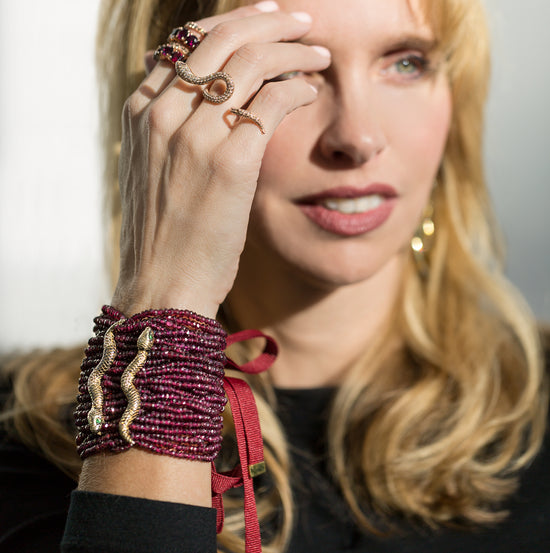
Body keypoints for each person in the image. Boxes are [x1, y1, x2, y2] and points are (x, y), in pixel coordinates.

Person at [1, 0, 548, 551]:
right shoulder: (21, 431)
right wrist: (165, 305)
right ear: (168, 105)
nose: (357, 139)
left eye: (406, 63)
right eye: (283, 72)